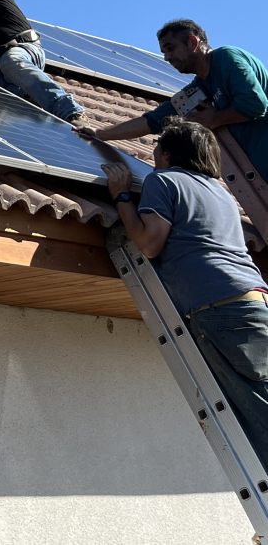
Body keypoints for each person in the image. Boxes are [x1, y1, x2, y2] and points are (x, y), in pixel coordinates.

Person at [104, 117, 268, 466]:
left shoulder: (163, 181)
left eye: (156, 149)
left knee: (259, 414)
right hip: (254, 299)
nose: (152, 156)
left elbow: (148, 243)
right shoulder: (220, 193)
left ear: (166, 155)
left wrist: (121, 197)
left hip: (221, 309)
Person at [86, 19, 268, 183]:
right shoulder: (199, 89)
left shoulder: (226, 58)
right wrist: (100, 133)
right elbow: (154, 120)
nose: (166, 58)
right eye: (163, 52)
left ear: (193, 42)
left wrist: (214, 119)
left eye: (170, 48)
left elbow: (255, 104)